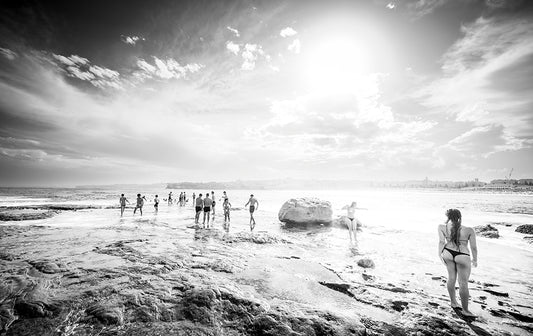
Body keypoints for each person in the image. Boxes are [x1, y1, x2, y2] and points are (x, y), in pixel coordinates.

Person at [438, 209, 478, 317]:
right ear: (460, 217)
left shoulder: (442, 227)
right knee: (463, 283)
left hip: (447, 253)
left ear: (448, 217)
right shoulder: (469, 230)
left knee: (451, 278)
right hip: (462, 255)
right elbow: (473, 247)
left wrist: (439, 254)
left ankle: (453, 302)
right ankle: (465, 310)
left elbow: (442, 242)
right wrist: (475, 259)